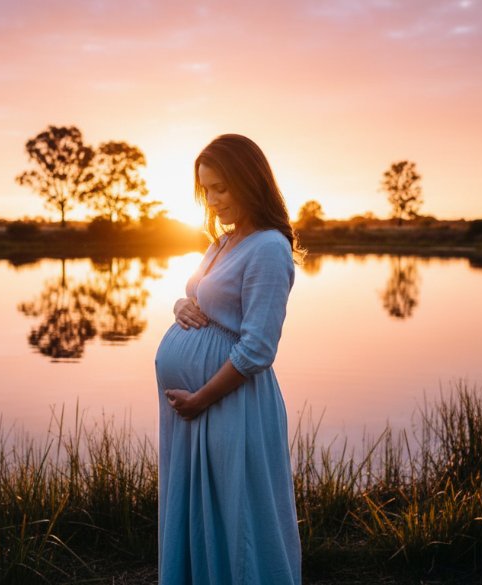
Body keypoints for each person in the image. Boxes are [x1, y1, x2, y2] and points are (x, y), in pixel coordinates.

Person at [154, 134, 303, 584]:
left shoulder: (269, 249)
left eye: (221, 188)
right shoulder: (224, 243)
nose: (213, 200)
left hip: (229, 404)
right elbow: (195, 290)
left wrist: (201, 398)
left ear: (249, 181)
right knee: (202, 507)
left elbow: (258, 347)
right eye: (206, 190)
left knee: (237, 513)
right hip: (197, 407)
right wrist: (180, 305)